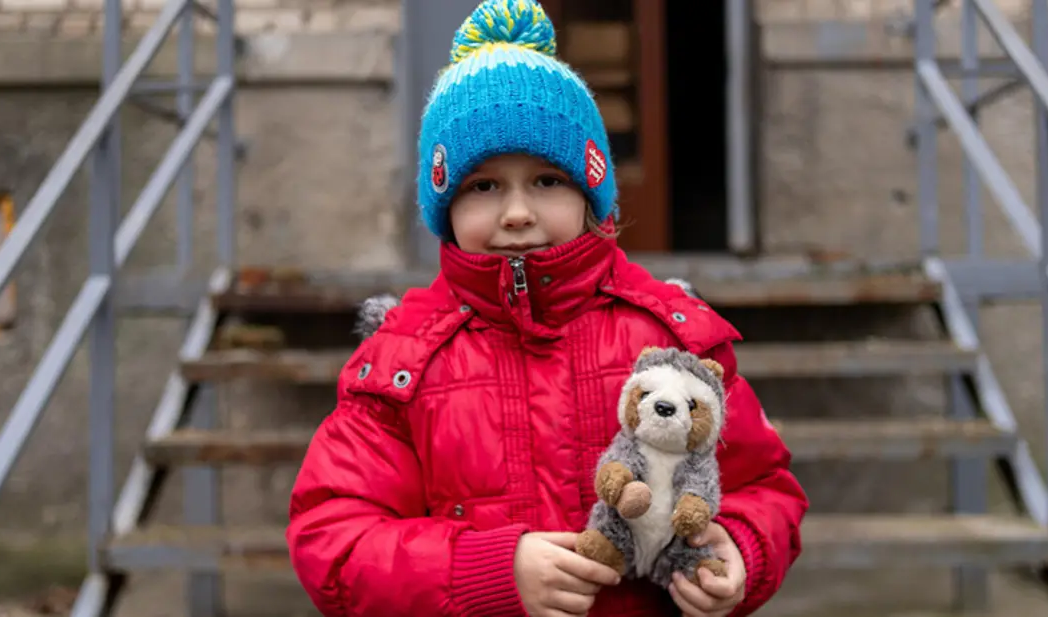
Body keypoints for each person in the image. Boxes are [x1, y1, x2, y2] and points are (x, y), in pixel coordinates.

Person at [285, 1, 808, 615]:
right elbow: (334, 537)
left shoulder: (674, 341)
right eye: (483, 186)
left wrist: (743, 548)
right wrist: (487, 573)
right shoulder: (402, 361)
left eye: (546, 181)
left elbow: (763, 484)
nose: (516, 213)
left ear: (591, 191)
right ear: (444, 206)